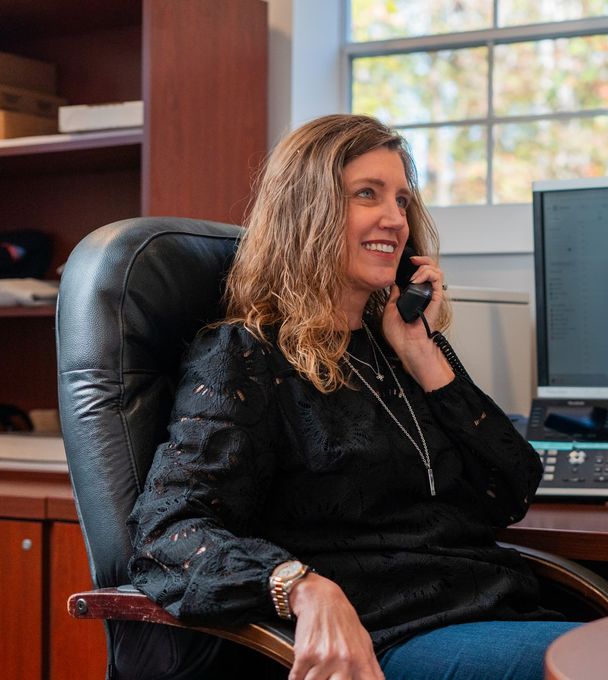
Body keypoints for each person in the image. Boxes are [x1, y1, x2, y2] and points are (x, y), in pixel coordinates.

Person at [127, 114, 579, 680]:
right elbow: (167, 531)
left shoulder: (392, 349)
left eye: (402, 199)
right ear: (307, 211)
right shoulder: (245, 356)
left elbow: (509, 490)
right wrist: (303, 587)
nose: (395, 218)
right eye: (368, 194)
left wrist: (422, 350)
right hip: (387, 638)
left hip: (491, 611)